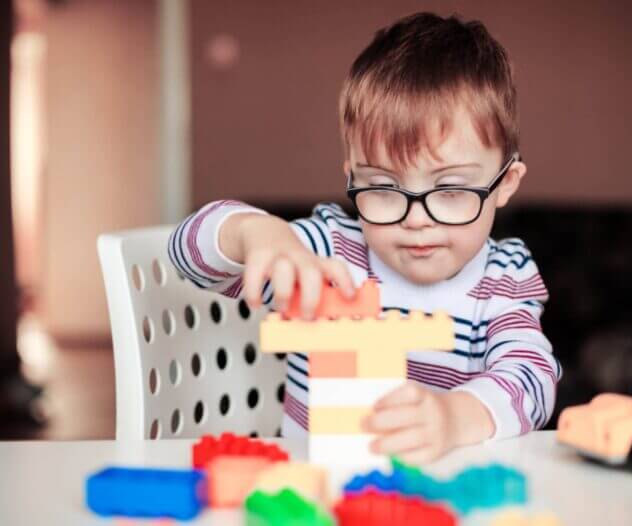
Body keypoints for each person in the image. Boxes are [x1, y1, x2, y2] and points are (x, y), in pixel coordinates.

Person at [169, 12, 561, 464]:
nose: (417, 220)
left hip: (438, 495)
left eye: (451, 190)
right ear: (352, 177)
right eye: (384, 188)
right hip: (312, 495)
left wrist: (454, 417)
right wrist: (257, 234)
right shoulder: (328, 251)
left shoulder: (505, 277)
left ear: (506, 183)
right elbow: (185, 254)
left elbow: (532, 376)